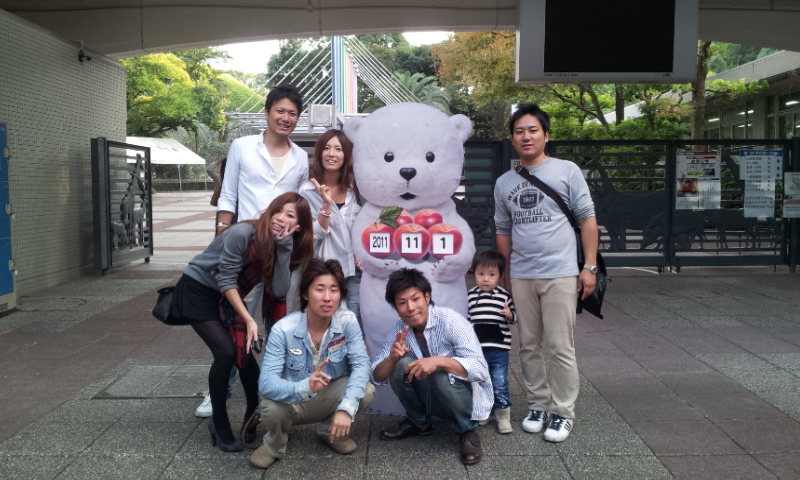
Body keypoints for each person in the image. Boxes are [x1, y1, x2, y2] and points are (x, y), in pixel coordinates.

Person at [197, 84, 309, 418]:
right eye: (280, 111)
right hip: (245, 248)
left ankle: (275, 391)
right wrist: (221, 234)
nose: (285, 118)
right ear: (267, 111)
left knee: (279, 324)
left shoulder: (301, 157)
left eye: (292, 113)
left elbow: (297, 205)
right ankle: (220, 388)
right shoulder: (243, 147)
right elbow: (228, 194)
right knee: (233, 320)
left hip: (280, 255)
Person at [171, 192, 314, 452]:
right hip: (197, 289)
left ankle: (252, 415)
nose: (281, 218)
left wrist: (284, 248)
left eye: (290, 216)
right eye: (278, 210)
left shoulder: (280, 244)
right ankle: (220, 425)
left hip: (224, 296)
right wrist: (249, 319)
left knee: (245, 354)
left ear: (298, 225)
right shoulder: (243, 233)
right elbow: (225, 279)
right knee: (226, 353)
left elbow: (280, 289)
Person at [494, 103, 598, 443]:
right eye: (520, 131)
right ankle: (538, 404)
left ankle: (563, 411)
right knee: (527, 345)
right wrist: (505, 274)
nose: (526, 136)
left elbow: (587, 220)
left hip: (561, 273)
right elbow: (503, 230)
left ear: (546, 135)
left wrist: (589, 267)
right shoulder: (504, 183)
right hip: (522, 275)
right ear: (512, 139)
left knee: (560, 346)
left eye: (532, 130)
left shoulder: (567, 171)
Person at [250, 259, 375, 469]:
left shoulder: (347, 321)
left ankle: (329, 433)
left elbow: (362, 365)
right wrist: (305, 386)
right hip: (293, 400)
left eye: (334, 290)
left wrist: (346, 409)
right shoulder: (284, 329)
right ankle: (274, 443)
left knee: (366, 389)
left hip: (327, 395)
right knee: (270, 405)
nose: (327, 297)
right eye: (320, 289)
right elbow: (266, 383)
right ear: (306, 294)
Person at [371, 268, 492, 465]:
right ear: (395, 307)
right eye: (402, 303)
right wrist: (391, 358)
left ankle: (467, 431)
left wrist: (439, 361)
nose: (410, 307)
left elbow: (480, 369)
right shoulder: (399, 330)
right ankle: (420, 424)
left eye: (415, 299)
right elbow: (376, 376)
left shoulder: (451, 321)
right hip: (430, 398)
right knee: (399, 363)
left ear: (427, 297)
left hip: (462, 398)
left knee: (443, 372)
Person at [299, 129, 363, 324]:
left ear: (346, 155)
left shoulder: (357, 190)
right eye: (326, 148)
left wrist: (364, 254)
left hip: (353, 272)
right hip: (323, 271)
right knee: (324, 326)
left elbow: (366, 226)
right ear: (319, 154)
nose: (331, 154)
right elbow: (313, 236)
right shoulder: (307, 191)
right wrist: (326, 205)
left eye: (338, 149)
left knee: (352, 326)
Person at [467, 249, 517, 434]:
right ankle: (483, 411)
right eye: (481, 274)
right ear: (474, 274)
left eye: (491, 275)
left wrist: (509, 314)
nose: (485, 279)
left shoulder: (504, 296)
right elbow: (467, 320)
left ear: (500, 276)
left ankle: (503, 414)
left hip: (499, 349)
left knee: (499, 381)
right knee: (479, 381)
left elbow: (514, 319)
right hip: (478, 349)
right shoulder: (471, 296)